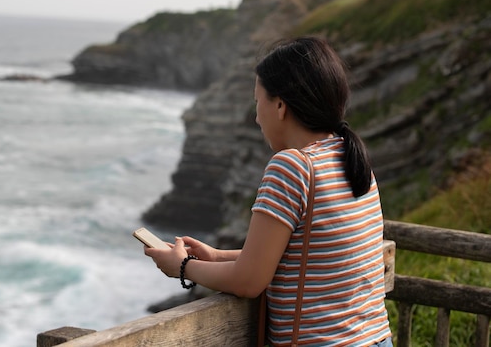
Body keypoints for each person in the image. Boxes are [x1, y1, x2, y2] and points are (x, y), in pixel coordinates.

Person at [144, 36, 392, 346]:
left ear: (279, 105)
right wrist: (218, 256)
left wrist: (181, 267)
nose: (257, 116)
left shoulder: (292, 166)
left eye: (257, 101)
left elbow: (249, 282)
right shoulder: (352, 159)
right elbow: (308, 252)